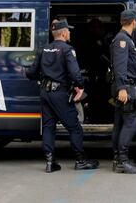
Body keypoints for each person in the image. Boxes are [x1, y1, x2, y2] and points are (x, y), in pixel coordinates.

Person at [26, 19, 99, 173]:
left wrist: (42, 78)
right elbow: (75, 73)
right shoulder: (67, 50)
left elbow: (31, 73)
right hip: (60, 94)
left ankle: (50, 162)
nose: (70, 33)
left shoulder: (43, 49)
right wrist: (80, 87)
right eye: (69, 30)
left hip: (45, 94)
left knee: (48, 127)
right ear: (64, 33)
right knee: (75, 128)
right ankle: (80, 160)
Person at [111, 10, 136, 174]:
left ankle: (118, 159)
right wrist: (122, 88)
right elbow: (120, 66)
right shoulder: (122, 40)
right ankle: (123, 161)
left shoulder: (123, 39)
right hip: (125, 86)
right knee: (131, 123)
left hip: (124, 85)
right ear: (133, 22)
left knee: (120, 123)